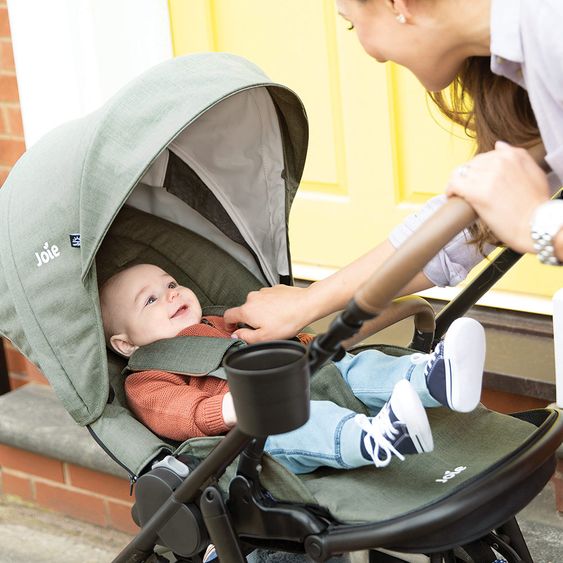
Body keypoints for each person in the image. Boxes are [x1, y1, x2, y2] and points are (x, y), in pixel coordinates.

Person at [223, 0, 563, 344]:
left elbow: (516, 217)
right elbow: (462, 229)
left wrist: (538, 224)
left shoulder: (552, 29)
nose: (374, 55)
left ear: (396, 4)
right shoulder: (524, 55)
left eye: (352, 24)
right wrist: (308, 302)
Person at [100, 264, 486, 475]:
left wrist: (310, 346)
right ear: (126, 344)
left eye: (172, 282)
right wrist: (231, 408)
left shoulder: (225, 322)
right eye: (150, 299)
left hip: (308, 376)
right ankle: (374, 438)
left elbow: (282, 342)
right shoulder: (148, 376)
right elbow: (179, 412)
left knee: (356, 365)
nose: (171, 293)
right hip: (256, 436)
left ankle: (433, 379)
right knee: (306, 422)